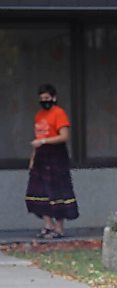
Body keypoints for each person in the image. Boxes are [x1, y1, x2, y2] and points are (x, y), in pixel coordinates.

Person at [25, 84, 79, 238]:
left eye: (47, 98)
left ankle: (59, 228)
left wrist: (44, 142)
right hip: (41, 156)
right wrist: (33, 158)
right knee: (38, 190)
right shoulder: (39, 115)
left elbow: (64, 136)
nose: (44, 101)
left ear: (54, 98)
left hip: (56, 155)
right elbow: (38, 139)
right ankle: (47, 225)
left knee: (57, 191)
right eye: (42, 99)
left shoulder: (59, 113)